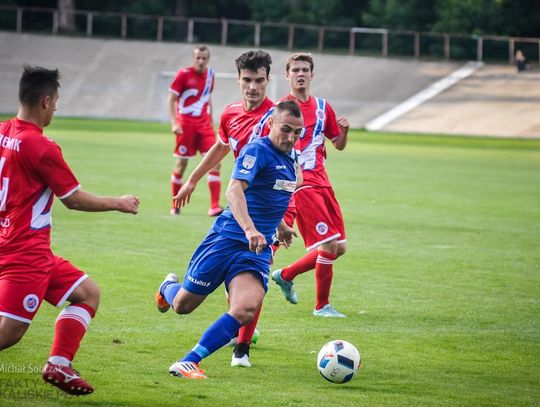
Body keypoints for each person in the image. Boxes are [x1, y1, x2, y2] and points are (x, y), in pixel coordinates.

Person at [0, 66, 139, 395]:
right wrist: (118, 202)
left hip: (25, 246)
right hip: (25, 252)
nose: (57, 108)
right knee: (10, 333)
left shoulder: (4, 131)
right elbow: (73, 200)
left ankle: (59, 364)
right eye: (57, 101)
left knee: (88, 293)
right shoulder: (42, 147)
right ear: (45, 101)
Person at [154, 101, 303, 379]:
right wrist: (249, 229)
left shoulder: (291, 159)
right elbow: (234, 191)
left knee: (246, 307)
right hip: (227, 239)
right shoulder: (257, 150)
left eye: (297, 132)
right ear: (271, 123)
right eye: (286, 130)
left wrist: (280, 225)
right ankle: (167, 288)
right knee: (183, 305)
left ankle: (189, 361)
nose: (291, 137)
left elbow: (269, 195)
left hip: (255, 249)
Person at [173, 50, 275, 368]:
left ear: (268, 81)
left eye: (260, 81)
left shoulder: (279, 119)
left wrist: (284, 218)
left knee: (248, 298)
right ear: (239, 81)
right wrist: (191, 181)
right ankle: (169, 286)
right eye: (247, 80)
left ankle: (237, 349)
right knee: (184, 305)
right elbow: (221, 147)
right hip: (232, 223)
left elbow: (290, 172)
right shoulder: (230, 114)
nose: (253, 87)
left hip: (263, 226)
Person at [271, 53, 349, 318]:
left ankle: (286, 275)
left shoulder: (322, 107)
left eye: (305, 70)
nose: (300, 74)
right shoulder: (282, 108)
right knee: (328, 245)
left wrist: (344, 131)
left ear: (312, 75)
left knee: (339, 247)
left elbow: (337, 143)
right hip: (302, 184)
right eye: (295, 70)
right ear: (288, 75)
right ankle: (321, 306)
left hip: (323, 182)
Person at [167, 45, 222, 216]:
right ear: (193, 58)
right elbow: (171, 100)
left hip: (204, 126)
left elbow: (207, 99)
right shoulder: (183, 75)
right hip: (186, 126)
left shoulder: (210, 75)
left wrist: (211, 119)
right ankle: (175, 203)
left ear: (208, 59)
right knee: (181, 165)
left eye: (204, 58)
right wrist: (174, 123)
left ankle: (214, 207)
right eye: (198, 57)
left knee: (216, 162)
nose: (201, 61)